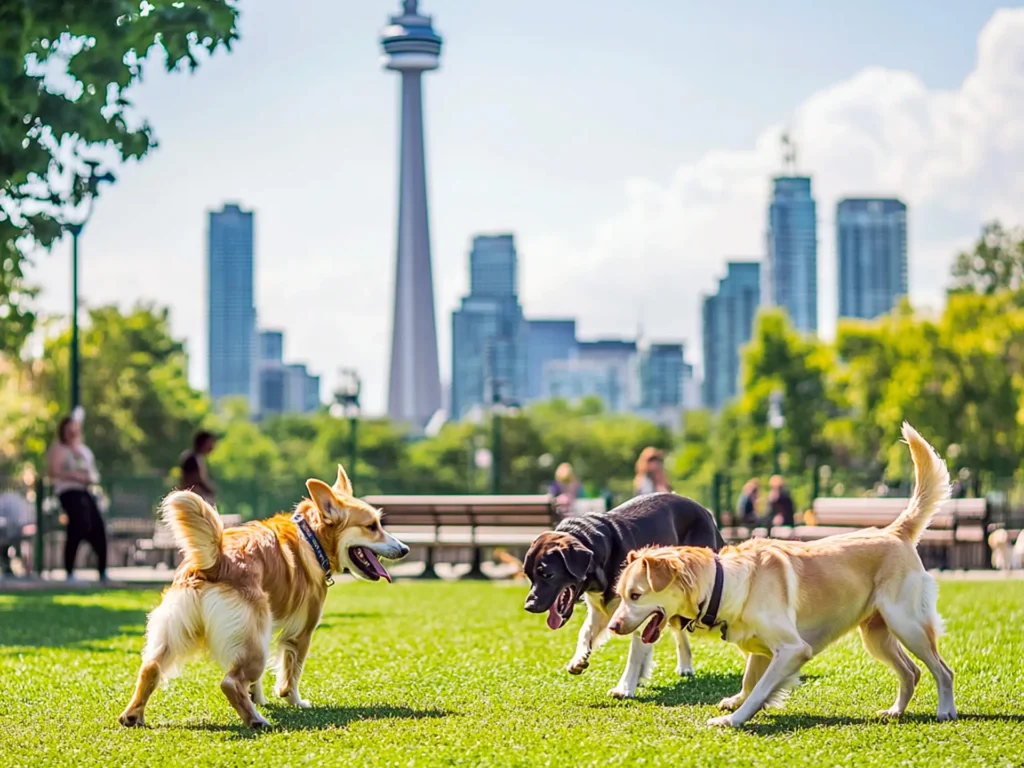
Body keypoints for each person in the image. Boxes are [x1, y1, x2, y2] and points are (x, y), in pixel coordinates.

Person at [48, 414, 107, 582]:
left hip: (85, 491)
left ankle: (102, 571)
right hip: (68, 492)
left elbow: (93, 474)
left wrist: (87, 478)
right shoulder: (59, 449)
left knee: (98, 526)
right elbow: (53, 471)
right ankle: (69, 571)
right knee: (78, 524)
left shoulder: (84, 451)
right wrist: (74, 476)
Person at [179, 430, 218, 504]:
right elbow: (196, 480)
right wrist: (210, 490)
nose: (212, 446)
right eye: (210, 443)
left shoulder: (197, 457)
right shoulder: (194, 458)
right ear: (203, 443)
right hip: (192, 498)